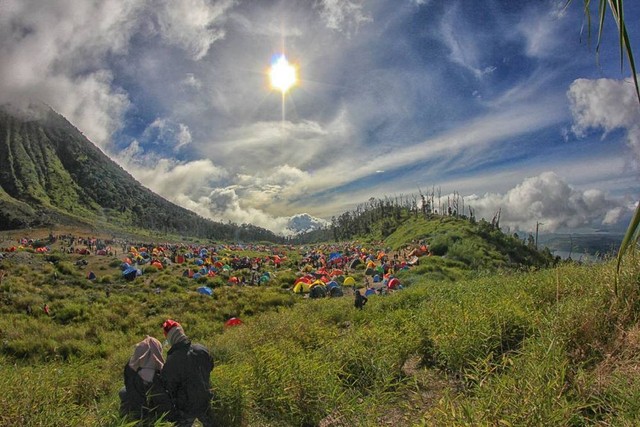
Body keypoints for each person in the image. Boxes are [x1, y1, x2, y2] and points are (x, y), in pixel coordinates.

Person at [161, 319, 215, 426]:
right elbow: (211, 366)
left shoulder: (171, 361)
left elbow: (169, 386)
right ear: (182, 332)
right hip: (206, 399)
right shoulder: (201, 349)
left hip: (185, 408)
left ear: (170, 338)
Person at [119, 336, 170, 423]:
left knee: (123, 392)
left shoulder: (130, 365)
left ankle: (126, 417)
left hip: (134, 404)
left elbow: (128, 384)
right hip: (151, 409)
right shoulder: (159, 370)